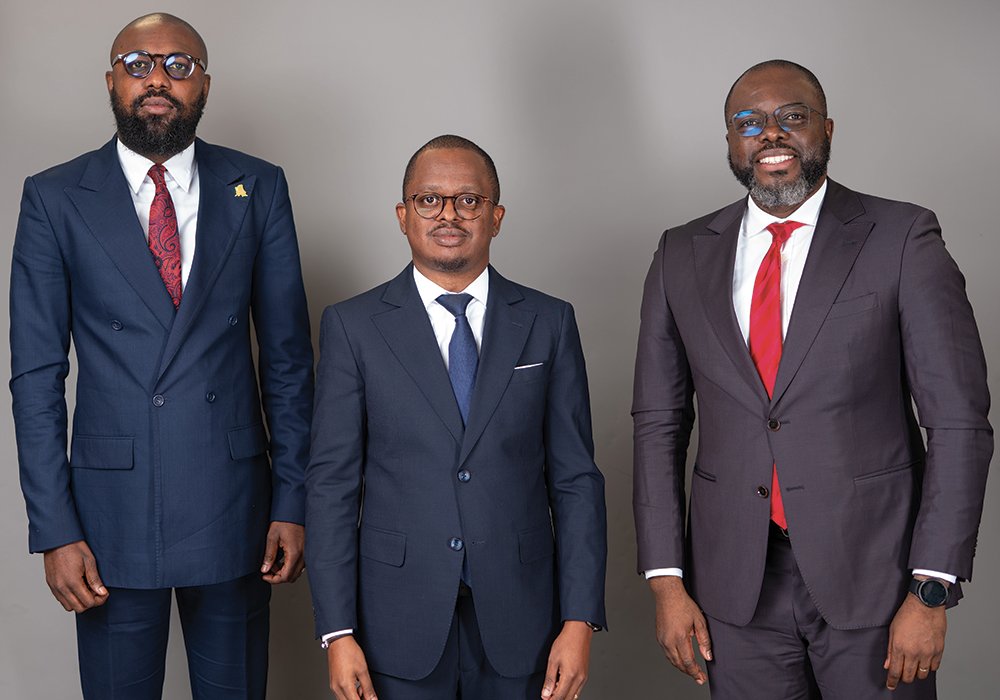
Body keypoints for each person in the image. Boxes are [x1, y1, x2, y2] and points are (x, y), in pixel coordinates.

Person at [632, 59, 992, 698]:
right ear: (730, 141)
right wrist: (666, 581)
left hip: (878, 580)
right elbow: (658, 425)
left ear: (826, 129)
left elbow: (959, 424)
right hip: (732, 587)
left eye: (791, 117)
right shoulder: (680, 253)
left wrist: (931, 588)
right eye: (749, 123)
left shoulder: (902, 237)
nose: (770, 135)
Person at [9, 13, 313, 699]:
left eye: (179, 66)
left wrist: (293, 500)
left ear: (204, 84)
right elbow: (35, 379)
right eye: (138, 63)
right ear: (111, 80)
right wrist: (54, 529)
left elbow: (289, 361)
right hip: (109, 516)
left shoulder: (258, 186)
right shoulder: (54, 197)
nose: (158, 79)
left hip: (236, 506)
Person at [305, 134, 607, 700]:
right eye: (429, 200)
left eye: (469, 200)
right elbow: (331, 486)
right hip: (395, 620)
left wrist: (580, 619)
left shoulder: (548, 321)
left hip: (524, 618)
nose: (448, 214)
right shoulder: (353, 326)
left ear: (496, 217)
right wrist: (337, 632)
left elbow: (575, 481)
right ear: (403, 216)